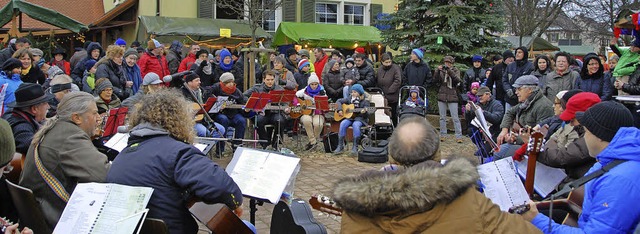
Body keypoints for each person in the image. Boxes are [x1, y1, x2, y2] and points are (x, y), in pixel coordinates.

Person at [333, 116, 541, 233]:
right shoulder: (469, 201)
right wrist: (533, 219)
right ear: (437, 154)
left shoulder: (355, 209)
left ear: (392, 158)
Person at [105, 89, 249, 234]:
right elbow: (221, 186)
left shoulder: (122, 155)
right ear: (179, 120)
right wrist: (236, 201)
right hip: (172, 230)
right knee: (247, 228)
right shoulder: (178, 152)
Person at [521, 101, 640, 233]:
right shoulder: (608, 161)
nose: (584, 138)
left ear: (599, 135)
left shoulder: (619, 181)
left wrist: (536, 219)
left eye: (586, 132)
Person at [19, 92, 110, 228]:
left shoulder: (55, 127)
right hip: (54, 218)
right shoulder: (70, 136)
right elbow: (104, 175)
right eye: (95, 113)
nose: (98, 119)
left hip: (38, 213)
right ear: (77, 118)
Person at [516, 92, 600, 182]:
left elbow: (563, 157)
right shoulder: (580, 130)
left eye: (572, 119)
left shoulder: (593, 136)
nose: (570, 123)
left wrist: (533, 148)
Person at [495, 75, 554, 159]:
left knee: (499, 152)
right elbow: (509, 112)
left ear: (529, 90)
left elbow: (539, 135)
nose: (516, 92)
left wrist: (515, 139)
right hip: (522, 141)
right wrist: (504, 130)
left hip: (532, 149)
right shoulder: (526, 101)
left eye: (519, 89)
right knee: (496, 149)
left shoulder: (544, 106)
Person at [2, 83, 51, 155]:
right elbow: (30, 145)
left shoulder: (13, 112)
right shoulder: (21, 126)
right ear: (34, 109)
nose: (48, 107)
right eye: (45, 103)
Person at [244, 70, 288, 149]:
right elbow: (244, 96)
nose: (270, 82)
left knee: (280, 120)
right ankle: (265, 143)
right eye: (268, 80)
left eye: (272, 80)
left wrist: (286, 108)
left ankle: (275, 143)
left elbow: (285, 102)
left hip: (275, 113)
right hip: (261, 113)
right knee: (259, 121)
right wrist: (253, 103)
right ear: (263, 80)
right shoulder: (257, 88)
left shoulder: (279, 89)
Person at [210, 72, 250, 153]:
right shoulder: (215, 88)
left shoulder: (236, 91)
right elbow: (208, 99)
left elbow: (243, 101)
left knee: (241, 121)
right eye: (229, 82)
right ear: (223, 83)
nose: (231, 84)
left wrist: (246, 108)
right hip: (219, 114)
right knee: (223, 120)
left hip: (234, 113)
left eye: (232, 82)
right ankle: (220, 149)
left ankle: (237, 147)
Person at [180, 73, 225, 138]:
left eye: (199, 80)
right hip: (192, 121)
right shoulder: (182, 93)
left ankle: (209, 146)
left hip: (204, 120)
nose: (199, 82)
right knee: (202, 131)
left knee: (221, 129)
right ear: (189, 82)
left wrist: (216, 106)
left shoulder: (203, 91)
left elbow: (209, 105)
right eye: (197, 80)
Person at [333, 84, 370, 155]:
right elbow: (338, 101)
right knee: (343, 123)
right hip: (350, 118)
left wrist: (364, 112)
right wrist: (340, 110)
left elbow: (367, 114)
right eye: (352, 92)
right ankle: (340, 146)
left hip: (360, 119)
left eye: (355, 92)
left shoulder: (365, 101)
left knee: (355, 125)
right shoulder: (349, 99)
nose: (353, 94)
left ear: (360, 93)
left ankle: (355, 147)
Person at [434, 55, 463, 143]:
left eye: (449, 63)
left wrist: (449, 71)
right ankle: (443, 135)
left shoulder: (455, 70)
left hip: (452, 95)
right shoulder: (441, 70)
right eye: (446, 62)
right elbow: (435, 81)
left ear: (452, 63)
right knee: (442, 117)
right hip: (442, 95)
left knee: (455, 117)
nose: (447, 64)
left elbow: (457, 80)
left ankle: (458, 136)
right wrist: (437, 71)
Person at [294, 73, 326, 150]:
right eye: (312, 84)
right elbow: (295, 97)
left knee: (318, 124)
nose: (314, 86)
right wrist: (298, 103)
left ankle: (311, 143)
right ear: (309, 84)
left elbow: (325, 104)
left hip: (317, 113)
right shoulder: (304, 91)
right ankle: (313, 142)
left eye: (316, 84)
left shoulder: (322, 92)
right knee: (306, 121)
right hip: (306, 113)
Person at [503, 47, 534, 111]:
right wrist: (508, 89)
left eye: (520, 52)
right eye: (516, 52)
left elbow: (530, 82)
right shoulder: (510, 66)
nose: (517, 54)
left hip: (524, 99)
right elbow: (504, 79)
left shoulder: (530, 66)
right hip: (510, 99)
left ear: (524, 54)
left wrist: (518, 91)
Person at [376, 53, 402, 125]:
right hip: (382, 95)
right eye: (386, 62)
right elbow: (377, 79)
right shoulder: (380, 69)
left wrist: (390, 90)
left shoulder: (395, 68)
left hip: (392, 96)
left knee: (393, 113)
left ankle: (395, 127)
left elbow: (398, 80)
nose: (388, 64)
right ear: (382, 62)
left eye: (389, 62)